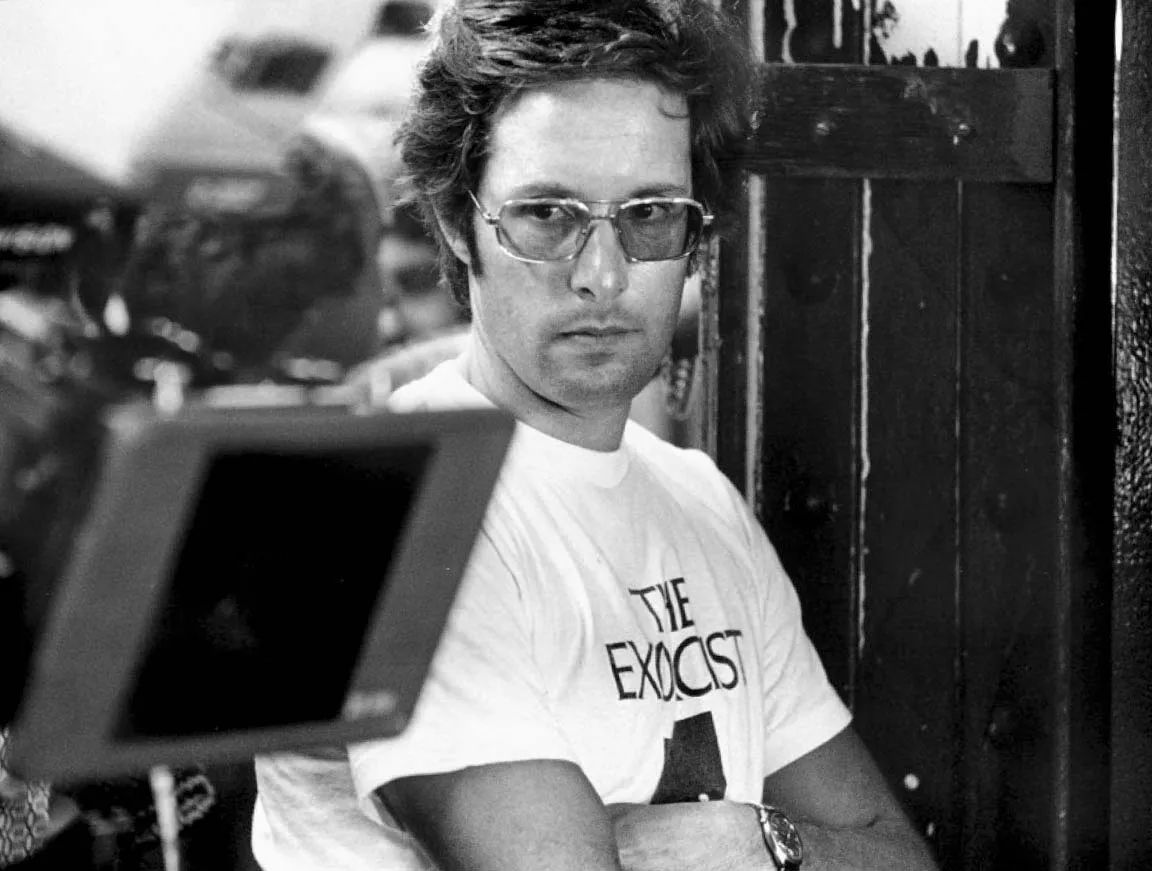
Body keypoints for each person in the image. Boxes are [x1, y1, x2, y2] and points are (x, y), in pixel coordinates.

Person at [252, 1, 940, 869]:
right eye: (547, 214)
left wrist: (750, 837)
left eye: (650, 213)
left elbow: (899, 858)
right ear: (458, 222)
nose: (603, 276)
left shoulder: (701, 502)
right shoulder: (395, 496)